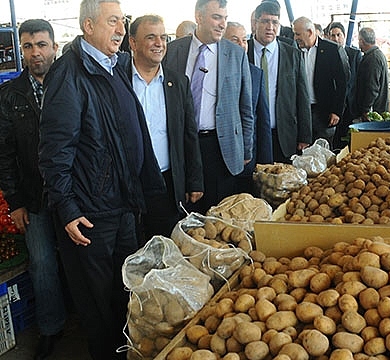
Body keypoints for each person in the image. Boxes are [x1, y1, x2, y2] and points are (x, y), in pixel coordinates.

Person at [38, 0, 167, 358]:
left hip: (121, 206)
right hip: (91, 215)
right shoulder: (69, 74)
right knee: (98, 307)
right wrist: (66, 207)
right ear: (89, 25)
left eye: (122, 22)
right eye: (113, 22)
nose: (121, 29)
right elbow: (54, 151)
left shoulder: (113, 68)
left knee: (123, 296)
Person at [0, 19, 67, 360]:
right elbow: (5, 154)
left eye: (41, 44)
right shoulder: (10, 95)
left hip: (73, 194)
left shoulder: (72, 85)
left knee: (82, 261)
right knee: (42, 265)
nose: (35, 52)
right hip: (35, 197)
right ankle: (51, 328)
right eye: (28, 46)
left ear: (55, 46)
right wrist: (15, 202)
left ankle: (93, 322)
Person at [164, 0, 254, 213]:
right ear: (199, 17)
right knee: (183, 213)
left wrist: (246, 147)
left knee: (218, 216)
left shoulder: (235, 54)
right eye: (216, 17)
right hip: (180, 145)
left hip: (219, 148)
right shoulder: (173, 51)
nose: (222, 24)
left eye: (225, 18)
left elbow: (245, 106)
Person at [128, 15, 204, 242]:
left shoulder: (178, 82)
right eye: (150, 37)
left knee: (166, 248)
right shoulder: (119, 81)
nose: (159, 43)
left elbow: (189, 134)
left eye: (163, 37)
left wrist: (194, 180)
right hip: (130, 184)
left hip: (167, 181)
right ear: (132, 43)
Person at [247, 1, 311, 163]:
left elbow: (302, 96)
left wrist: (304, 135)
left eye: (275, 22)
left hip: (283, 134)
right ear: (255, 24)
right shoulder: (242, 51)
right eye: (265, 21)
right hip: (250, 135)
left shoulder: (292, 55)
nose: (270, 27)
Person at [224, 21, 272, 194]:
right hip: (220, 162)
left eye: (244, 40)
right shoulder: (212, 74)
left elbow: (263, 120)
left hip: (247, 160)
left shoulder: (256, 74)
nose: (241, 45)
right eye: (234, 40)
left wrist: (266, 164)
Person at [292, 16, 349, 148]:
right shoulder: (293, 51)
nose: (295, 38)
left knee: (324, 151)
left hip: (325, 113)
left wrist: (337, 111)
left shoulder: (332, 50)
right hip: (301, 111)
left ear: (310, 32)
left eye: (298, 34)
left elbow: (342, 82)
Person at [327, 21, 362, 149]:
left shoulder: (354, 54)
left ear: (344, 35)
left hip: (351, 106)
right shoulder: (326, 55)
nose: (336, 38)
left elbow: (359, 81)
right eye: (332, 35)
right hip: (334, 107)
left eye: (338, 35)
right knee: (336, 142)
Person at [355, 27, 389, 120]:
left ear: (362, 41)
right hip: (378, 110)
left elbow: (372, 87)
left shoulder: (373, 59)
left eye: (359, 40)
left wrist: (366, 110)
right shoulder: (377, 54)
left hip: (375, 113)